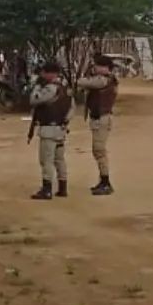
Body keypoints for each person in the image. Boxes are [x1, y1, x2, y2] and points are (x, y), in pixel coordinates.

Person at [28, 61, 72, 200]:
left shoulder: (50, 88)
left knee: (46, 159)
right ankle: (62, 187)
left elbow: (34, 100)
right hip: (61, 128)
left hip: (49, 128)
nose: (42, 74)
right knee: (59, 159)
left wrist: (36, 87)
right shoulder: (65, 88)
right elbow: (72, 108)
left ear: (50, 73)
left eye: (44, 72)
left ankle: (47, 189)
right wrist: (65, 121)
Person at [79, 54, 119, 195]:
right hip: (100, 118)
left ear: (104, 68)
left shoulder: (103, 80)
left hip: (101, 118)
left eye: (97, 65)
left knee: (99, 150)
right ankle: (103, 181)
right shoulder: (107, 80)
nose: (94, 67)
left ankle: (105, 181)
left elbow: (83, 82)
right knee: (98, 151)